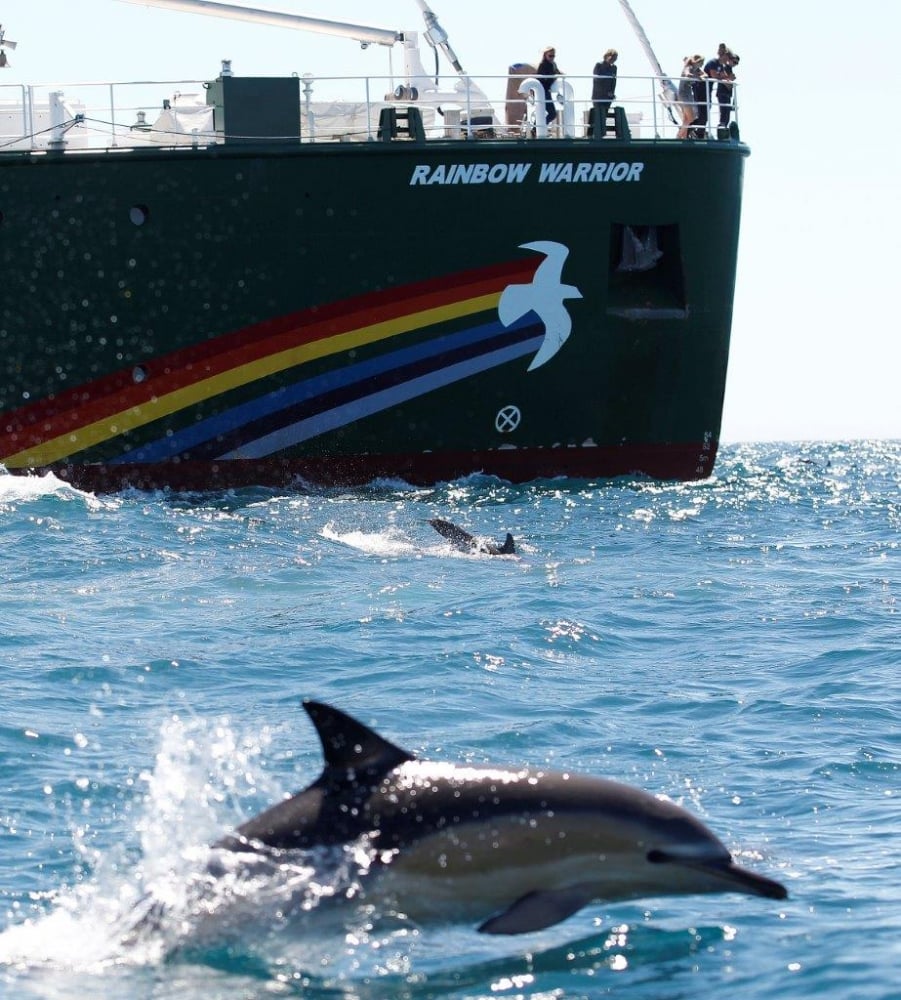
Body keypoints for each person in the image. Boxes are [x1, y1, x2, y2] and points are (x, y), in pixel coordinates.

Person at [589, 48, 618, 137]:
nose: (613, 59)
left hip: (608, 96)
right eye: (612, 57)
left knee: (604, 114)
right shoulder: (599, 65)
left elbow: (614, 82)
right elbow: (597, 80)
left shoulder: (614, 68)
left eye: (615, 58)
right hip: (598, 95)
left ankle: (601, 134)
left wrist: (612, 93)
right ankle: (593, 134)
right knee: (598, 114)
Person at [676, 55, 705, 139]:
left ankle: (684, 137)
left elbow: (705, 75)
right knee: (690, 118)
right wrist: (697, 77)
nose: (702, 65)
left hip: (688, 94)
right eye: (701, 63)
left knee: (686, 119)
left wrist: (700, 76)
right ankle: (678, 136)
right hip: (684, 94)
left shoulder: (696, 69)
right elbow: (687, 74)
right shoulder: (689, 67)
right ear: (697, 61)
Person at [536, 46, 560, 126]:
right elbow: (542, 79)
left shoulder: (553, 64)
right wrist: (554, 77)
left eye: (553, 56)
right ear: (545, 55)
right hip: (542, 91)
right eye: (550, 56)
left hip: (547, 91)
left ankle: (536, 128)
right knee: (552, 113)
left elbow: (557, 72)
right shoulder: (543, 65)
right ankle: (536, 128)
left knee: (549, 113)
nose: (552, 58)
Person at [717, 50, 739, 128]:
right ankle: (722, 129)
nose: (735, 64)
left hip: (727, 94)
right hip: (722, 93)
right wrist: (730, 83)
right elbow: (723, 79)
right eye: (734, 62)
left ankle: (724, 129)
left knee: (727, 114)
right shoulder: (725, 67)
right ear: (729, 60)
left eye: (737, 63)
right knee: (724, 113)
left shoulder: (729, 69)